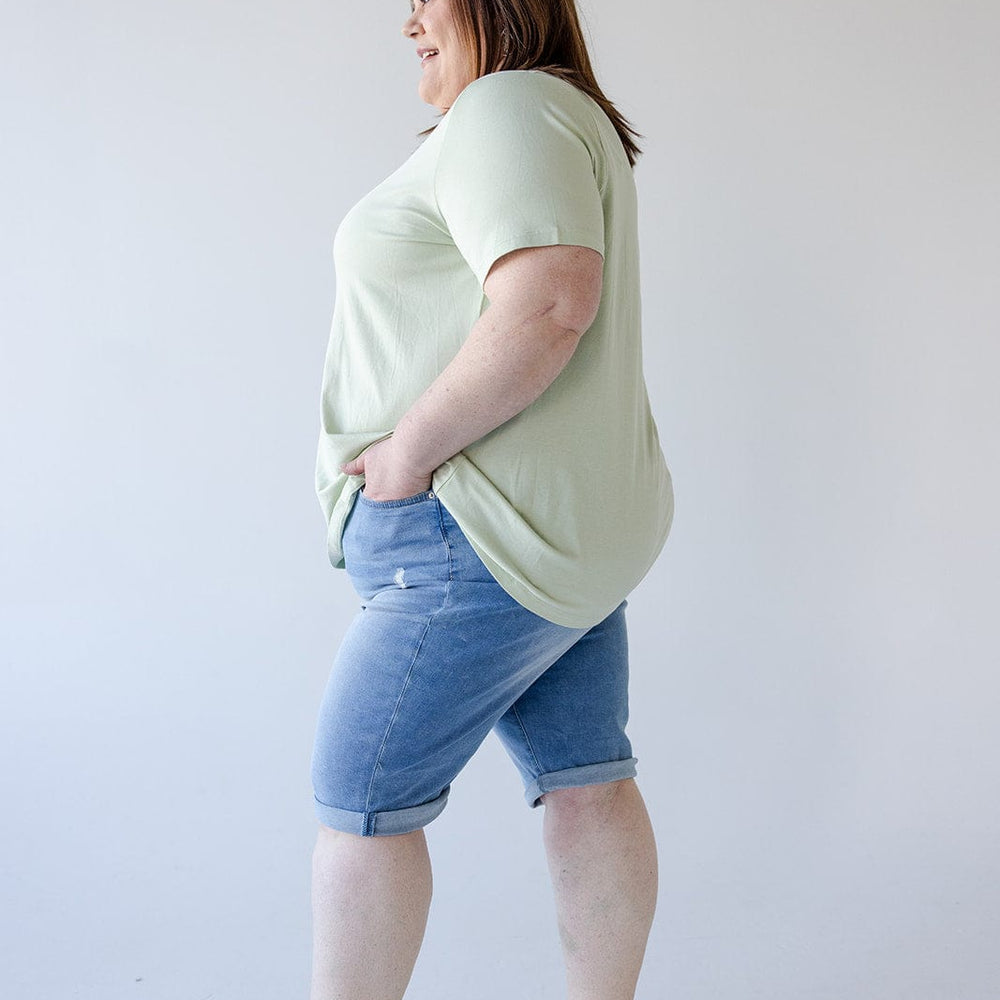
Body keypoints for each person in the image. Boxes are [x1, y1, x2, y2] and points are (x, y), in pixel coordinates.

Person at [309, 0, 674, 997]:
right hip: (554, 541)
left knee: (360, 804)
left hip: (470, 536)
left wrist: (405, 455)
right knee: (587, 779)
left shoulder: (507, 106)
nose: (408, 21)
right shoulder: (551, 112)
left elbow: (551, 298)